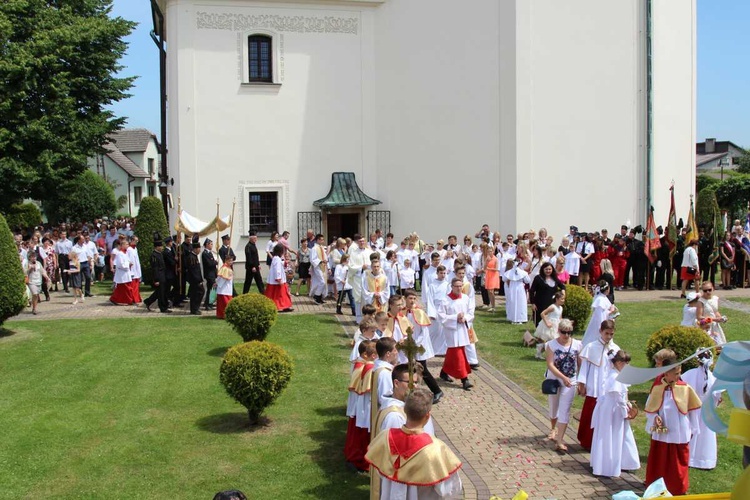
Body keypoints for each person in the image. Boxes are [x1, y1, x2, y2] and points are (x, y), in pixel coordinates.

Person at [365, 389, 463, 500]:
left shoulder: (385, 438)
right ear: (427, 415)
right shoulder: (435, 449)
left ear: (405, 411)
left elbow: (382, 472)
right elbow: (450, 490)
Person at [644, 362, 702, 495]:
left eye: (679, 372)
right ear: (667, 373)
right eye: (676, 373)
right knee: (660, 458)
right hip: (662, 431)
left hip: (678, 430)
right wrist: (655, 417)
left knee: (677, 459)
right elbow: (650, 407)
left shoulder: (685, 388)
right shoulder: (658, 388)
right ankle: (656, 486)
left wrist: (693, 427)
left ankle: (677, 487)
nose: (679, 376)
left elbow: (693, 410)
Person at [590, 350, 640, 477]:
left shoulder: (616, 374)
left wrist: (627, 404)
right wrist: (625, 411)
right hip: (613, 410)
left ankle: (623, 462)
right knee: (612, 435)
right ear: (618, 363)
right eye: (625, 363)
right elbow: (619, 397)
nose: (628, 366)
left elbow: (623, 396)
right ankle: (608, 465)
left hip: (612, 407)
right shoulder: (614, 377)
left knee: (621, 435)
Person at [577, 319, 620, 451]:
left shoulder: (615, 348)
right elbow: (584, 367)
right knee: (590, 414)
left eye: (611, 334)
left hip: (608, 386)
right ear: (600, 331)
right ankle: (587, 441)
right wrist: (582, 384)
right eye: (606, 333)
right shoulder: (591, 347)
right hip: (594, 386)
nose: (608, 337)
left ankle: (603, 442)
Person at [544, 319, 581, 451]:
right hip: (555, 380)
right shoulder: (551, 345)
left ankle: (560, 439)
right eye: (564, 332)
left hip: (570, 381)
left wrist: (581, 382)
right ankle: (553, 428)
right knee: (554, 407)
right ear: (559, 331)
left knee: (564, 409)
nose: (566, 335)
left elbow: (580, 364)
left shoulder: (577, 344)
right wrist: (563, 377)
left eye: (569, 332)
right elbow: (550, 364)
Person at [681, 349, 721, 470]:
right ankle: (705, 460)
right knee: (706, 435)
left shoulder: (689, 374)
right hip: (707, 411)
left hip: (693, 408)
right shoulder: (713, 377)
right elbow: (717, 397)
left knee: (692, 432)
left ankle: (689, 458)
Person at [404, 289, 443, 404]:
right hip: (408, 345)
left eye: (414, 298)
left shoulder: (419, 312)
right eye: (410, 298)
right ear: (404, 299)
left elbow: (424, 332)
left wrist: (415, 343)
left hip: (419, 345)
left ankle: (437, 390)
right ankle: (410, 391)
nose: (412, 301)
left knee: (422, 369)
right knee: (409, 368)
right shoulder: (403, 312)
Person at [345, 339, 377, 471]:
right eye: (375, 355)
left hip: (359, 407)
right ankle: (359, 460)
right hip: (363, 408)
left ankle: (355, 457)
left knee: (357, 435)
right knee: (361, 436)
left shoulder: (361, 365)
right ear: (366, 355)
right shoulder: (367, 368)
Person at [438, 278, 474, 391]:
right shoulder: (445, 300)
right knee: (458, 353)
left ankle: (444, 372)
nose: (458, 288)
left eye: (460, 286)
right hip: (452, 330)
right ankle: (464, 379)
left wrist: (465, 318)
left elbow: (471, 312)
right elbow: (441, 316)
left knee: (455, 352)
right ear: (452, 286)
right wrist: (455, 318)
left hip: (462, 329)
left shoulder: (465, 298)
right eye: (456, 286)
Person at [582, 280, 618, 346]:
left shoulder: (603, 298)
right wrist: (611, 312)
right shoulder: (600, 300)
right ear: (607, 289)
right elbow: (601, 315)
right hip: (599, 325)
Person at [529, 262, 566, 326]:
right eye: (546, 269)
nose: (548, 271)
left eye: (550, 269)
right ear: (543, 269)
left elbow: (562, 286)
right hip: (540, 304)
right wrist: (533, 303)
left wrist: (563, 291)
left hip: (551, 303)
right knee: (540, 321)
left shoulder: (554, 278)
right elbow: (532, 291)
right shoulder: (538, 278)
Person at [144, 234, 171, 313]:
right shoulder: (154, 256)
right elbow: (155, 268)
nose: (162, 248)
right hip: (159, 276)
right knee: (161, 293)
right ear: (157, 247)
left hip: (163, 275)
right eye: (160, 246)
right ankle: (162, 307)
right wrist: (156, 279)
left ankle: (148, 301)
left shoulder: (160, 254)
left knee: (160, 292)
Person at [534, 291, 565, 359]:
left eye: (564, 299)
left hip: (556, 326)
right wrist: (547, 322)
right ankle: (539, 353)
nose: (563, 300)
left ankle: (550, 354)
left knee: (554, 340)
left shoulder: (561, 308)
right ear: (557, 299)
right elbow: (542, 314)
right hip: (549, 325)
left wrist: (563, 323)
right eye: (562, 299)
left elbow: (560, 317)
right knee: (548, 340)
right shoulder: (552, 307)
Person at [264, 244, 293, 312]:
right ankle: (283, 306)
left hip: (275, 281)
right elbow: (277, 270)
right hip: (277, 281)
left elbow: (280, 264)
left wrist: (285, 263)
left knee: (280, 294)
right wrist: (279, 279)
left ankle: (285, 306)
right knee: (280, 294)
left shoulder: (276, 258)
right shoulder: (277, 259)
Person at [503, 260, 530, 325]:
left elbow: (504, 279)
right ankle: (520, 318)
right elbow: (527, 280)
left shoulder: (509, 272)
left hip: (512, 287)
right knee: (520, 302)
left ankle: (513, 318)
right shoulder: (523, 272)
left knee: (513, 302)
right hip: (520, 287)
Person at [110, 239, 135, 306]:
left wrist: (129, 263)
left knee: (123, 288)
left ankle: (118, 299)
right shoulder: (120, 254)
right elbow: (120, 264)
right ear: (122, 245)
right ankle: (127, 300)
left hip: (126, 273)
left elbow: (127, 261)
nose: (128, 246)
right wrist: (128, 264)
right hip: (122, 274)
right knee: (125, 288)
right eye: (126, 244)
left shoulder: (125, 253)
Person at [186, 235, 204, 315]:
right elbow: (193, 271)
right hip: (194, 280)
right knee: (196, 294)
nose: (200, 250)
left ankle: (195, 308)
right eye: (199, 248)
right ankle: (194, 309)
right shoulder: (191, 257)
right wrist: (198, 280)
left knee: (198, 293)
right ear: (195, 249)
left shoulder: (194, 256)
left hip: (196, 279)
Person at [309, 233, 328, 304]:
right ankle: (316, 296)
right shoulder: (314, 249)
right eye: (321, 240)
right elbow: (312, 259)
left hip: (323, 266)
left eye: (323, 240)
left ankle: (320, 297)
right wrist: (320, 261)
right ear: (317, 240)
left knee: (323, 282)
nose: (322, 241)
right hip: (317, 267)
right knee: (322, 282)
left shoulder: (322, 248)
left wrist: (326, 261)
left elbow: (325, 256)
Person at [215, 254, 235, 319]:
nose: (231, 262)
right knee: (225, 303)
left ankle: (222, 315)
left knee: (222, 303)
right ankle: (225, 315)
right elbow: (222, 278)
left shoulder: (227, 268)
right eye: (230, 261)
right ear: (226, 261)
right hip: (224, 289)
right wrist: (218, 284)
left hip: (225, 288)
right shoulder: (225, 268)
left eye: (232, 261)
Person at [202, 238, 218, 311]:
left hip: (212, 274)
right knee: (212, 289)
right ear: (207, 244)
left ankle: (208, 302)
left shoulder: (209, 252)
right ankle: (209, 304)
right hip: (209, 274)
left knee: (211, 289)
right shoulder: (205, 253)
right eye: (211, 244)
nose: (212, 245)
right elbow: (209, 263)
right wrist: (215, 262)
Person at [483, 244, 500, 312]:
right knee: (489, 291)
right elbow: (484, 268)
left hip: (493, 276)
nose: (490, 252)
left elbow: (496, 269)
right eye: (488, 251)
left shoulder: (495, 259)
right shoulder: (487, 258)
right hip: (488, 275)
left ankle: (494, 306)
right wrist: (487, 262)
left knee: (491, 291)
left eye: (491, 251)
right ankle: (491, 305)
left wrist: (488, 268)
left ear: (493, 251)